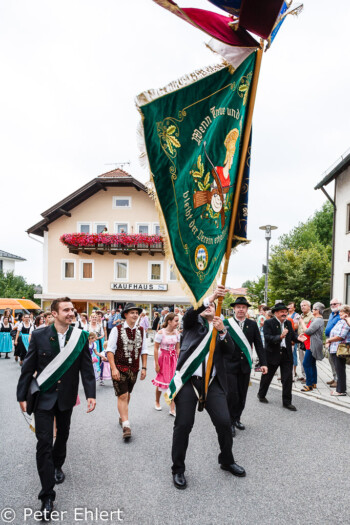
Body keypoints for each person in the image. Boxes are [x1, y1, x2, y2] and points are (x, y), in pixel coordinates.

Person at [16, 297, 96, 520]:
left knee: (63, 436)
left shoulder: (80, 336)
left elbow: (86, 367)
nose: (71, 313)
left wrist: (91, 394)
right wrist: (21, 394)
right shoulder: (40, 335)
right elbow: (29, 366)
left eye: (72, 310)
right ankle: (47, 496)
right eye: (66, 310)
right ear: (54, 314)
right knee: (43, 444)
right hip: (43, 397)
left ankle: (58, 464)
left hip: (66, 397)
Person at [171, 285, 245, 491]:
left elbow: (230, 351)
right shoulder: (192, 324)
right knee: (184, 425)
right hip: (189, 381)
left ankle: (226, 460)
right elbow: (189, 313)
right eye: (206, 305)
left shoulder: (221, 327)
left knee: (224, 422)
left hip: (212, 384)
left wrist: (222, 332)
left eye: (212, 305)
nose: (209, 307)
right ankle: (178, 469)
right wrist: (209, 297)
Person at [223, 297, 268, 436]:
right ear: (234, 309)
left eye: (243, 307)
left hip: (245, 366)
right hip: (229, 365)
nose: (241, 309)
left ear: (247, 309)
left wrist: (264, 363)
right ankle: (229, 422)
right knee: (232, 395)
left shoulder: (252, 324)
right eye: (238, 307)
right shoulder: (226, 323)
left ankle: (237, 418)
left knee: (242, 394)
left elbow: (259, 345)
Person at [107, 303, 148, 440]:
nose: (135, 315)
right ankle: (126, 424)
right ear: (125, 314)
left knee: (128, 394)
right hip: (119, 367)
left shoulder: (141, 330)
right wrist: (113, 368)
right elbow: (110, 350)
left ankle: (122, 416)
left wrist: (144, 368)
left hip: (134, 369)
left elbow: (144, 350)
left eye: (137, 313)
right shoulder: (116, 330)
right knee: (123, 395)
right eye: (132, 313)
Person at [257, 303, 299, 410]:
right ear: (276, 313)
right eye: (282, 312)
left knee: (287, 379)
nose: (284, 314)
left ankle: (287, 402)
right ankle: (261, 394)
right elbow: (267, 337)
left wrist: (299, 339)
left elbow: (293, 336)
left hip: (286, 354)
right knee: (267, 377)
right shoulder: (268, 322)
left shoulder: (288, 323)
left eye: (285, 311)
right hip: (272, 353)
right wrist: (280, 336)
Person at [152, 312, 180, 416]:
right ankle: (157, 401)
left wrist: (180, 362)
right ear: (169, 321)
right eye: (176, 321)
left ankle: (172, 408)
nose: (178, 323)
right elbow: (155, 348)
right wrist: (156, 363)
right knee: (161, 381)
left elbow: (178, 349)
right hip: (163, 358)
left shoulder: (177, 333)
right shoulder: (160, 333)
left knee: (173, 382)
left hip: (173, 359)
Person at [298, 302, 325, 392]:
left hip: (312, 345)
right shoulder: (316, 319)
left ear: (317, 310)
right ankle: (313, 383)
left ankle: (309, 384)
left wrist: (301, 322)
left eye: (313, 309)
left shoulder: (318, 320)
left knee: (306, 363)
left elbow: (309, 331)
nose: (312, 310)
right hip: (310, 343)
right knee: (312, 363)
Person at [325, 305, 350, 396]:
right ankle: (340, 389)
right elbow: (333, 333)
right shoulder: (340, 321)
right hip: (334, 348)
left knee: (340, 370)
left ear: (347, 313)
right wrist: (329, 342)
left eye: (342, 312)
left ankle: (341, 390)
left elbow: (340, 336)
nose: (339, 313)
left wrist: (329, 340)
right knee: (338, 369)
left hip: (339, 349)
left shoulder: (346, 322)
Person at [325, 298, 341, 387]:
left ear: (340, 304)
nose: (333, 306)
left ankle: (338, 380)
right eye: (331, 304)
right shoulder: (331, 314)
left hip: (336, 340)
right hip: (329, 339)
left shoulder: (341, 314)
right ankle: (334, 377)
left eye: (335, 304)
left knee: (336, 361)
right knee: (331, 360)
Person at [297, 300, 314, 383]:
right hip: (300, 340)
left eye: (304, 305)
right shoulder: (301, 316)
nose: (302, 307)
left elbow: (310, 329)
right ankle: (304, 375)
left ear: (309, 307)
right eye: (301, 306)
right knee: (301, 359)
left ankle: (308, 377)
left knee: (307, 360)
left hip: (307, 341)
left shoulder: (312, 316)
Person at [287, 302, 300, 379]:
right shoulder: (285, 314)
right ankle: (287, 372)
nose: (289, 308)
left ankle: (294, 372)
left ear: (294, 308)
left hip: (292, 337)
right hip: (285, 337)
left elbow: (295, 326)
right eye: (288, 306)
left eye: (291, 306)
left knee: (293, 353)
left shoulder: (296, 315)